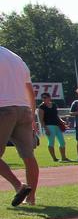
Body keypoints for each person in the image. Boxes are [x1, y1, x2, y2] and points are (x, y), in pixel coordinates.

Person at [0, 45, 40, 207]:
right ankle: (31, 198)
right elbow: (30, 90)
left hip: (3, 109)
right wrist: (32, 116)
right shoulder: (17, 58)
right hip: (24, 109)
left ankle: (19, 186)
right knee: (28, 156)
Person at [36, 92, 69, 162]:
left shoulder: (54, 105)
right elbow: (41, 120)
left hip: (57, 125)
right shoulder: (41, 107)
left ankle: (63, 157)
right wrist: (45, 128)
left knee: (62, 142)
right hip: (49, 126)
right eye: (42, 98)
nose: (44, 99)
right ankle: (54, 158)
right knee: (51, 142)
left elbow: (56, 115)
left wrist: (61, 121)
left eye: (45, 97)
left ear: (49, 98)